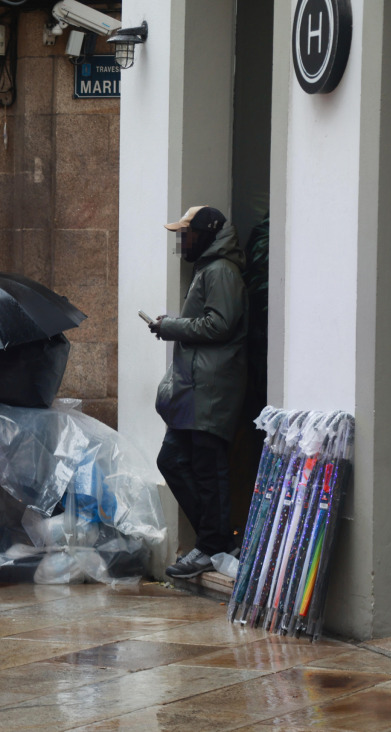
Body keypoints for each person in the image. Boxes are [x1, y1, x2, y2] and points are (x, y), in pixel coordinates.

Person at [149, 205, 248, 579]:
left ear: (206, 233)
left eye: (186, 234)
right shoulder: (209, 268)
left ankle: (212, 545)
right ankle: (216, 540)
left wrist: (171, 326)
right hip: (196, 390)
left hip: (212, 389)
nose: (182, 241)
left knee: (210, 469)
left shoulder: (221, 270)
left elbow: (220, 325)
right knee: (172, 460)